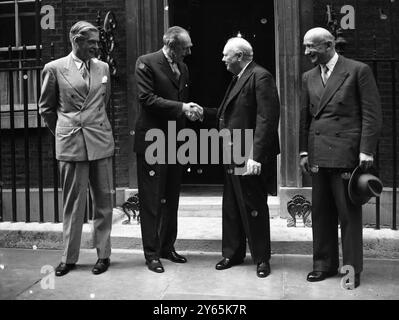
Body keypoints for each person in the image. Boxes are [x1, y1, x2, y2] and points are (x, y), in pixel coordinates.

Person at [299, 27, 382, 288]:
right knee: (321, 214)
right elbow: (305, 118)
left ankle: (351, 271)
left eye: (311, 47)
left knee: (348, 216)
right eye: (305, 47)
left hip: (346, 155)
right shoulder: (307, 76)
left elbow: (372, 114)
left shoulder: (358, 70)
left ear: (328, 45)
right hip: (318, 154)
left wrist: (366, 150)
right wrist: (303, 150)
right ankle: (322, 265)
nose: (306, 52)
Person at [39, 21, 115, 276]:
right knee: (73, 203)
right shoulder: (54, 68)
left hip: (100, 140)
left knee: (104, 201)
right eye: (91, 42)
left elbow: (103, 101)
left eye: (96, 42)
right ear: (76, 41)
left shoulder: (103, 67)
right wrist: (65, 129)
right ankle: (69, 258)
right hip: (72, 141)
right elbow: (47, 109)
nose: (96, 46)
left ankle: (103, 255)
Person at [200, 37, 280, 278]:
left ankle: (261, 258)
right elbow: (229, 114)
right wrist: (202, 112)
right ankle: (232, 253)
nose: (223, 59)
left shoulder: (260, 76)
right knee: (232, 205)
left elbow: (267, 118)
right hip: (233, 152)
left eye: (226, 55)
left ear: (240, 56)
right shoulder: (238, 77)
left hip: (248, 155)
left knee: (253, 205)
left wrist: (255, 156)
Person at [134, 26, 201, 273]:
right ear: (172, 45)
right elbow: (146, 99)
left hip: (176, 141)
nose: (190, 50)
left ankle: (166, 246)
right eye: (186, 46)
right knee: (151, 199)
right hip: (152, 141)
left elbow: (179, 103)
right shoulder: (146, 63)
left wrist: (189, 113)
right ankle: (151, 254)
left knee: (170, 198)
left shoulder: (183, 67)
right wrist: (182, 107)